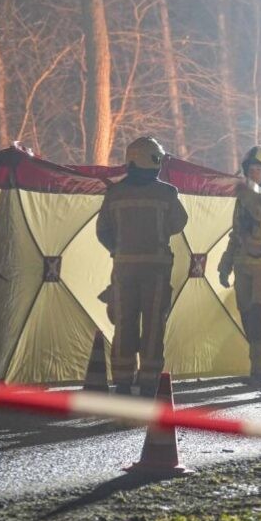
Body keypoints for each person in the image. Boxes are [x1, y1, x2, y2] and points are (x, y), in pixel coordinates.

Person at [96, 136, 188, 397]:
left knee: (124, 322)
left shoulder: (115, 193)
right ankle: (149, 381)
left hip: (124, 269)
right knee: (153, 324)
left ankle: (123, 381)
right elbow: (178, 223)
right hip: (157, 270)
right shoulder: (167, 193)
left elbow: (103, 230)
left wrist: (118, 249)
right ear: (153, 161)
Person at [217, 145, 261, 388]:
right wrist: (225, 265)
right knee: (247, 317)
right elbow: (236, 234)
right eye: (250, 170)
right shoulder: (243, 200)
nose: (253, 174)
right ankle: (258, 369)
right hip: (243, 266)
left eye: (257, 170)